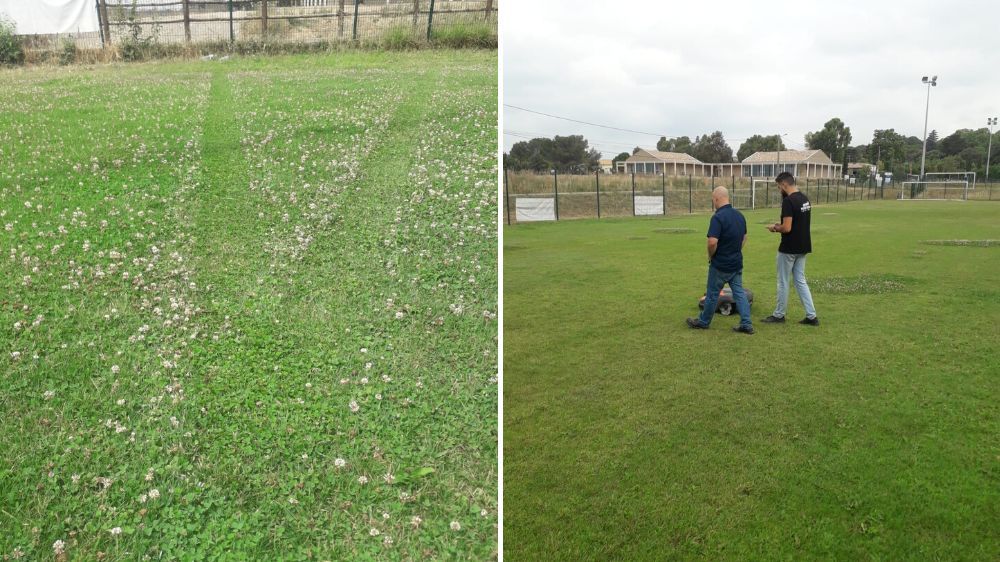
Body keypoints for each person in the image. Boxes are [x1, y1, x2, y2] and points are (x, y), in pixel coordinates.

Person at [686, 187, 754, 334]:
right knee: (739, 294)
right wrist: (735, 251)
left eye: (713, 200)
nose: (713, 202)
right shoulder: (740, 216)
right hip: (736, 264)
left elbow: (712, 242)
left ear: (717, 199)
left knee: (712, 294)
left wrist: (711, 255)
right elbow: (744, 237)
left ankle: (703, 322)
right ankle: (746, 324)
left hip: (720, 265)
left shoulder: (718, 217)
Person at [763, 172, 818, 325]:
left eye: (779, 186)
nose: (779, 189)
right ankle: (811, 316)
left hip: (788, 248)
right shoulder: (804, 199)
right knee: (800, 280)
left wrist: (775, 227)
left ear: (784, 184)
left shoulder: (788, 201)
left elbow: (787, 228)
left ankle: (779, 315)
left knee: (783, 281)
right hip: (803, 246)